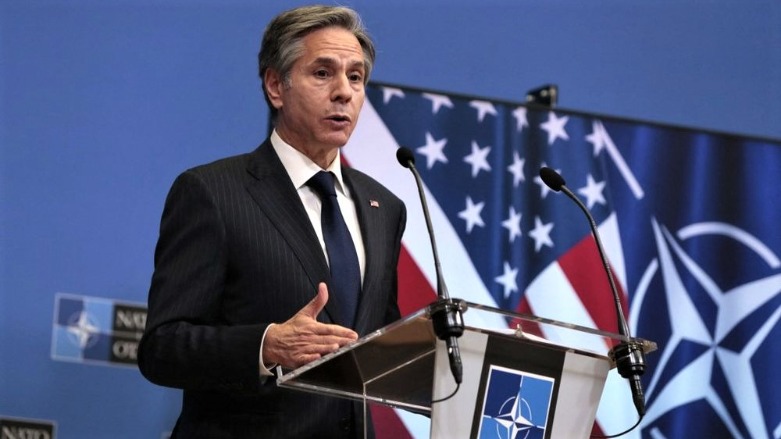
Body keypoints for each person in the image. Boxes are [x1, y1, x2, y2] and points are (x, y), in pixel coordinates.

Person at [137, 5, 406, 438]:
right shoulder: (213, 193)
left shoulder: (384, 207)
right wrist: (266, 346)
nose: (344, 92)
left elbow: (378, 339)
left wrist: (466, 353)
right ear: (276, 86)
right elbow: (162, 347)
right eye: (323, 73)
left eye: (356, 77)